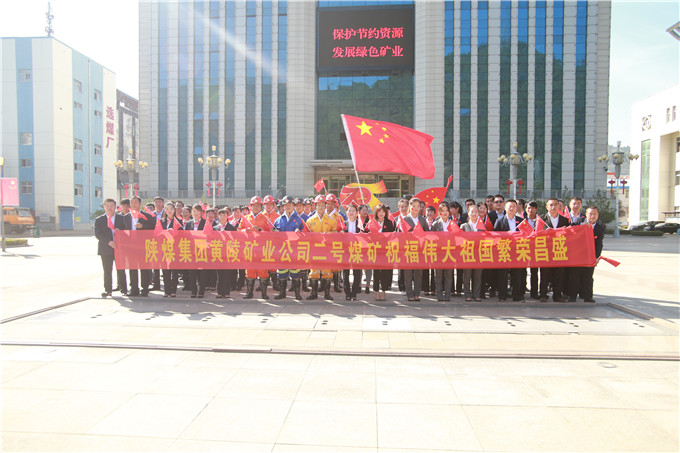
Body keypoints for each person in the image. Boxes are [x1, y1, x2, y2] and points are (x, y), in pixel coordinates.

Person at [568, 206, 604, 302]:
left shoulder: (599, 228)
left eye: (595, 214)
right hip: (577, 255)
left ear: (598, 215)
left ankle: (587, 296)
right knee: (574, 276)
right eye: (590, 214)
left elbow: (599, 244)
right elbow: (570, 234)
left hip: (590, 256)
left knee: (588, 277)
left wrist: (597, 257)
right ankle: (572, 297)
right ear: (586, 214)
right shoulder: (578, 222)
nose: (592, 216)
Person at [239, 196, 273, 299]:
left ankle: (264, 293)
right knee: (249, 271)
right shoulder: (245, 218)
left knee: (263, 271)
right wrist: (245, 231)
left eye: (258, 205)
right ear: (251, 206)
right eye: (254, 205)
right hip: (249, 249)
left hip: (261, 249)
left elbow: (270, 233)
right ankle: (249, 293)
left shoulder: (265, 219)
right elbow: (239, 230)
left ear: (261, 206)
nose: (256, 207)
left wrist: (260, 230)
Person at [272, 196, 306, 300]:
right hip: (282, 251)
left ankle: (297, 294)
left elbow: (305, 234)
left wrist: (300, 232)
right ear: (283, 206)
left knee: (295, 273)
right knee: (282, 273)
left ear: (293, 206)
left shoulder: (299, 219)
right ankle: (282, 293)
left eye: (290, 205)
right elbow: (272, 233)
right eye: (285, 205)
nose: (288, 207)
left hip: (294, 251)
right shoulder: (278, 220)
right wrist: (275, 232)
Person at [305, 195, 337, 300]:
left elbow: (335, 233)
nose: (321, 207)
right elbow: (306, 235)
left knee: (327, 272)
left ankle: (327, 294)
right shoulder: (310, 221)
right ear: (315, 206)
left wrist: (329, 234)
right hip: (314, 251)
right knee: (314, 272)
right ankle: (314, 293)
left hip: (326, 250)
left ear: (325, 206)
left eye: (323, 205)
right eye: (319, 205)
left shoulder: (332, 220)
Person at [397, 197, 429, 301]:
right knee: (408, 273)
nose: (416, 208)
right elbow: (399, 235)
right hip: (408, 250)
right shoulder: (404, 219)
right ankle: (409, 294)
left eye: (418, 206)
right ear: (410, 207)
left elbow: (427, 233)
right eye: (413, 206)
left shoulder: (422, 220)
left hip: (419, 250)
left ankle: (417, 293)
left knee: (418, 273)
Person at [494, 199, 525, 301]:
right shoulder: (499, 221)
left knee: (517, 275)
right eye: (509, 206)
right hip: (504, 251)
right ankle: (502, 295)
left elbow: (526, 235)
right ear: (505, 208)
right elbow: (495, 236)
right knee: (502, 275)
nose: (511, 208)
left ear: (516, 208)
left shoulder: (521, 221)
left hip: (517, 251)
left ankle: (516, 295)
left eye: (513, 206)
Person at [540, 198, 570, 302]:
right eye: (551, 205)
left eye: (555, 205)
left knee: (559, 274)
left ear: (559, 206)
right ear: (546, 207)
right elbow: (536, 233)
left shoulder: (564, 220)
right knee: (544, 274)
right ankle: (543, 295)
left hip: (559, 250)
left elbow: (569, 235)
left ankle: (557, 295)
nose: (553, 207)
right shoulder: (541, 219)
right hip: (546, 251)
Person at [367, 204, 394, 301]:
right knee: (376, 273)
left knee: (385, 273)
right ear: (376, 213)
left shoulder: (389, 223)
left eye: (383, 212)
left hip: (385, 251)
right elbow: (367, 235)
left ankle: (383, 292)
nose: (381, 214)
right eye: (379, 212)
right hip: (375, 251)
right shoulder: (372, 222)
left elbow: (392, 236)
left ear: (385, 213)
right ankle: (377, 292)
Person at [95, 198, 120, 297]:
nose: (110, 208)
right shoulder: (99, 220)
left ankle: (123, 289)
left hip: (119, 248)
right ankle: (108, 290)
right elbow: (98, 234)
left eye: (112, 206)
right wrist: (109, 242)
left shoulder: (121, 218)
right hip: (106, 248)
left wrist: (120, 231)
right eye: (107, 206)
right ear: (104, 207)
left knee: (121, 269)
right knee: (107, 270)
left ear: (115, 207)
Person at [430, 202, 454, 301]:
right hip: (438, 253)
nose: (445, 213)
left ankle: (447, 295)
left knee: (448, 275)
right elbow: (432, 239)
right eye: (442, 211)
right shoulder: (435, 224)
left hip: (450, 253)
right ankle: (439, 295)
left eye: (446, 211)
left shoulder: (452, 223)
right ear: (439, 212)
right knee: (438, 275)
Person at [460, 205, 484, 301]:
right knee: (467, 275)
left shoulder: (482, 226)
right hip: (467, 254)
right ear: (468, 213)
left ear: (478, 214)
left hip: (479, 254)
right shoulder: (464, 226)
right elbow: (459, 240)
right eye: (472, 212)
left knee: (477, 276)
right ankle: (467, 294)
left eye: (476, 212)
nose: (474, 214)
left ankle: (476, 294)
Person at [213, 208, 237, 299]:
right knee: (219, 275)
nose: (222, 217)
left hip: (228, 254)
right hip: (218, 254)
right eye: (221, 215)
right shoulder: (215, 228)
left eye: (224, 215)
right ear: (218, 216)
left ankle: (227, 292)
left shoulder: (231, 228)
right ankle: (219, 292)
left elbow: (235, 240)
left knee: (227, 275)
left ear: (227, 216)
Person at [184, 204, 207, 298]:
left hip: (202, 251)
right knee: (192, 273)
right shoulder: (189, 223)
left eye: (197, 211)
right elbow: (185, 236)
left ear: (201, 213)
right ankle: (193, 291)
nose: (195, 213)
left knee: (202, 273)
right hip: (192, 251)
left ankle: (201, 291)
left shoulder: (205, 223)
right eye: (194, 211)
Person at [160, 202, 182, 297]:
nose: (169, 211)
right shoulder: (161, 221)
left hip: (175, 249)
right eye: (167, 209)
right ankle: (166, 290)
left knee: (174, 271)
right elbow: (157, 234)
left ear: (174, 210)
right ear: (165, 210)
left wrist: (174, 234)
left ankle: (173, 290)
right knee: (165, 271)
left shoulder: (178, 221)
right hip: (164, 249)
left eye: (171, 209)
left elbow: (182, 234)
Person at [342, 204, 364, 300]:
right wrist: (340, 233)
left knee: (357, 273)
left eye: (353, 211)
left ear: (356, 213)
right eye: (349, 211)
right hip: (345, 252)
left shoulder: (360, 224)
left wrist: (363, 235)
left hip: (357, 251)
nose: (351, 213)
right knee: (345, 274)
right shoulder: (343, 224)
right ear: (346, 213)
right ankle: (347, 293)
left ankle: (354, 293)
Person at [524, 200, 541, 299]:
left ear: (536, 209)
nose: (531, 210)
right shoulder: (522, 220)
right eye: (529, 208)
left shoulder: (540, 220)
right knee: (522, 271)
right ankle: (521, 291)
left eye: (533, 208)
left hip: (536, 248)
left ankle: (534, 293)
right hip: (524, 248)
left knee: (534, 272)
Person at [422, 205, 437, 296]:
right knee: (425, 270)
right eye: (428, 211)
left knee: (434, 271)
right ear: (425, 212)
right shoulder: (422, 222)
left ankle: (434, 289)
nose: (429, 213)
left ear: (434, 213)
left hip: (435, 249)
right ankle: (426, 289)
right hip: (425, 249)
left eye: (431, 212)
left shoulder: (437, 223)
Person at [359, 204, 373, 294]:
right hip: (358, 247)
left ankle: (368, 285)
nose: (365, 212)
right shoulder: (357, 221)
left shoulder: (371, 220)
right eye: (363, 210)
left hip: (369, 247)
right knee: (359, 267)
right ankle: (359, 285)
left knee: (368, 267)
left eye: (366, 210)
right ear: (359, 212)